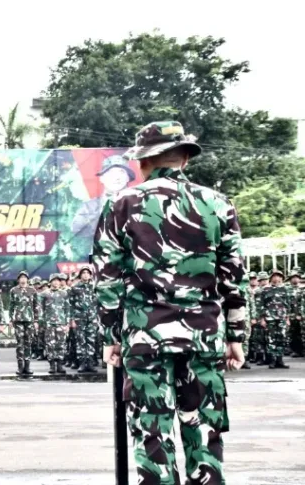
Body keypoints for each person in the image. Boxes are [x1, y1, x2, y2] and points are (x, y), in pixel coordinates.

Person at [93, 121, 246, 485]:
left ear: (142, 162)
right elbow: (233, 276)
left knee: (152, 430)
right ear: (185, 160)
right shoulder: (218, 204)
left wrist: (111, 336)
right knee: (204, 428)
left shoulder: (121, 204)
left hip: (145, 336)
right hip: (204, 335)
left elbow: (107, 277)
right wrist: (235, 335)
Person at [9, 271, 41, 376]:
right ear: (18, 279)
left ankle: (27, 366)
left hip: (29, 320)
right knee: (20, 344)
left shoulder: (32, 290)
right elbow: (11, 306)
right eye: (21, 277)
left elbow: (36, 306)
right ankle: (20, 366)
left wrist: (36, 321)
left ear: (27, 279)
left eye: (25, 277)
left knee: (28, 343)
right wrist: (10, 319)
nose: (23, 279)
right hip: (18, 320)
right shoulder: (13, 290)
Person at [260, 269, 290, 369]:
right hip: (270, 317)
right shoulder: (265, 290)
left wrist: (287, 318)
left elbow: (287, 304)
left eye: (279, 276)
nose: (277, 278)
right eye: (274, 276)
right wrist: (262, 319)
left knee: (281, 338)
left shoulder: (285, 289)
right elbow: (261, 305)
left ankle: (280, 360)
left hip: (282, 317)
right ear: (271, 278)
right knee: (271, 339)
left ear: (282, 278)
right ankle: (272, 360)